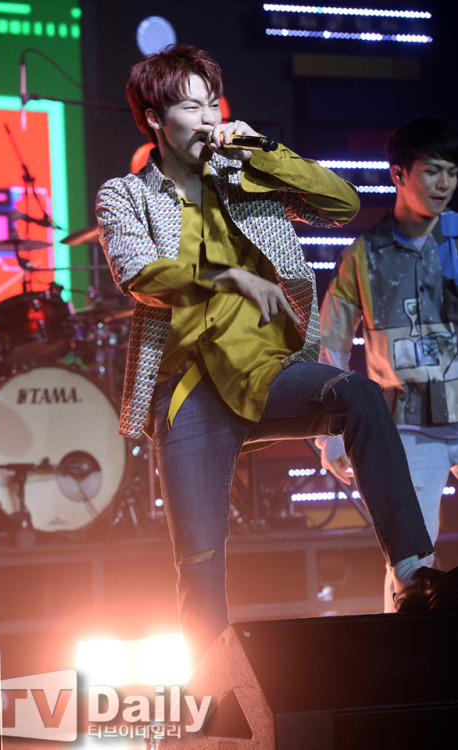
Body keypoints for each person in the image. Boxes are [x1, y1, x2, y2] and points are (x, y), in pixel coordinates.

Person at [96, 46, 458, 667]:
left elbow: (342, 204)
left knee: (358, 396)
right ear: (155, 117)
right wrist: (227, 277)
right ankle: (213, 706)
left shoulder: (245, 172)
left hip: (270, 374)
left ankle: (412, 573)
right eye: (191, 105)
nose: (209, 118)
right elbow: (138, 271)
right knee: (201, 564)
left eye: (213, 103)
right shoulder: (125, 195)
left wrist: (262, 149)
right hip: (192, 393)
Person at [318, 114, 458, 612]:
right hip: (407, 426)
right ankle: (409, 662)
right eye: (431, 171)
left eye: (452, 172)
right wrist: (329, 431)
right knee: (409, 558)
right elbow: (333, 341)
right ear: (398, 174)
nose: (444, 183)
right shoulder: (365, 254)